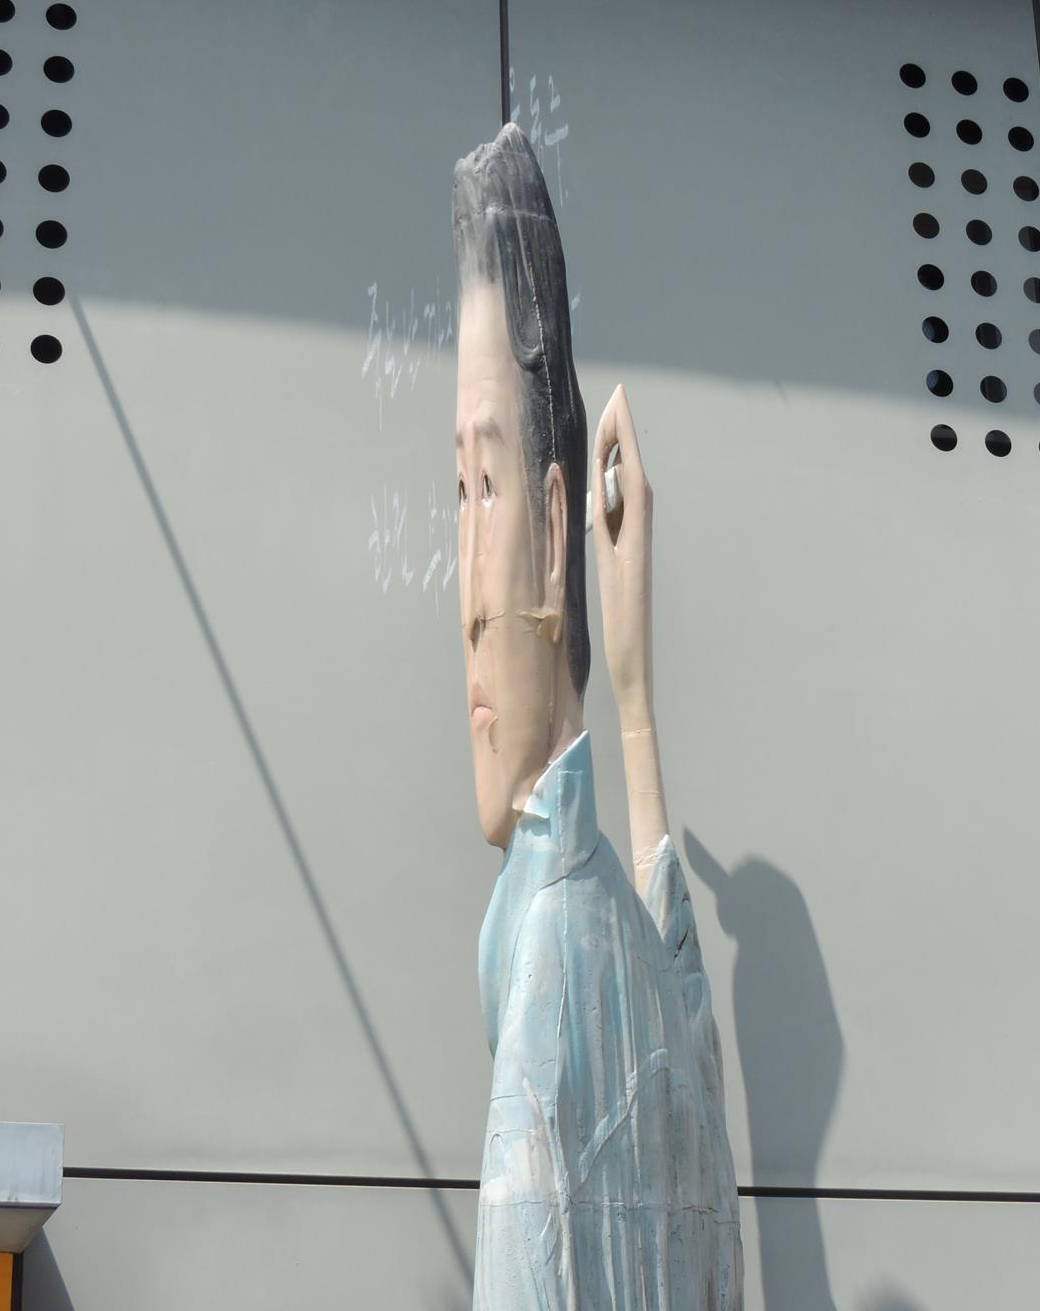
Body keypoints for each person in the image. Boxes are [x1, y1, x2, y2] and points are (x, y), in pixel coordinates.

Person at [451, 124, 742, 1310]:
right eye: (452, 496)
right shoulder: (594, 927)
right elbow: (689, 1058)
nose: (464, 600)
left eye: (483, 487)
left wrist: (626, 698)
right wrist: (630, 698)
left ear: (554, 522)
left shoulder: (559, 948)